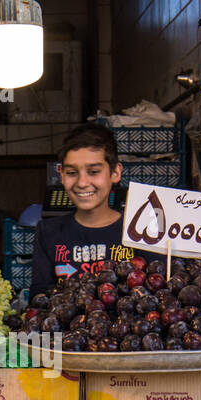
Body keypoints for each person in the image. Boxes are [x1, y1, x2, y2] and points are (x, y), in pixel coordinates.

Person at [28, 122, 127, 301]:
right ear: (62, 175)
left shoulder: (138, 232)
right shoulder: (48, 232)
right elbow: (39, 296)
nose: (82, 182)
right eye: (72, 172)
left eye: (94, 171)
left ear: (115, 173)